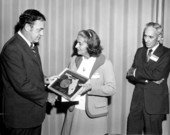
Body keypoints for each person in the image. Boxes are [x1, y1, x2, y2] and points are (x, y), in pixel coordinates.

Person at [0, 9, 57, 135]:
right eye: (39, 29)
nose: (42, 33)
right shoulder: (12, 48)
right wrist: (47, 96)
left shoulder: (31, 44)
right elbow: (21, 84)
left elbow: (29, 73)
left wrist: (45, 79)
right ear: (27, 27)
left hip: (33, 115)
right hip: (20, 119)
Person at [61, 29, 116, 135]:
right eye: (77, 43)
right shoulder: (74, 60)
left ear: (90, 45)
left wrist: (91, 88)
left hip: (94, 115)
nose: (76, 46)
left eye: (80, 43)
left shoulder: (105, 63)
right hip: (74, 111)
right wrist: (59, 83)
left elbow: (112, 89)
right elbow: (67, 84)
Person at [126, 22, 170, 135]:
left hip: (155, 102)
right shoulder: (140, 51)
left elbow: (157, 75)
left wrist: (136, 72)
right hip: (137, 100)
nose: (146, 40)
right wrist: (146, 78)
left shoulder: (167, 53)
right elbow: (130, 74)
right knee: (132, 131)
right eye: (145, 36)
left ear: (159, 37)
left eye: (151, 37)